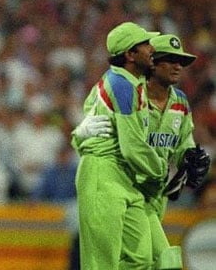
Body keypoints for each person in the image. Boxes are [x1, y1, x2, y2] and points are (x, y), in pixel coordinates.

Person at [77, 33, 211, 269]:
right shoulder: (128, 96)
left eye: (181, 61)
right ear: (152, 62)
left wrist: (190, 158)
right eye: (169, 59)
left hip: (154, 196)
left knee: (149, 262)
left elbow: (183, 143)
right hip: (124, 187)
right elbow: (98, 139)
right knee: (152, 261)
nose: (177, 66)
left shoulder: (180, 102)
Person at [72, 21, 167, 269]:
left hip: (126, 177)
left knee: (141, 259)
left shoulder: (132, 85)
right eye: (145, 44)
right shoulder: (121, 85)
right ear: (130, 55)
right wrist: (160, 172)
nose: (152, 48)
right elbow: (132, 146)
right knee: (102, 263)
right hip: (103, 174)